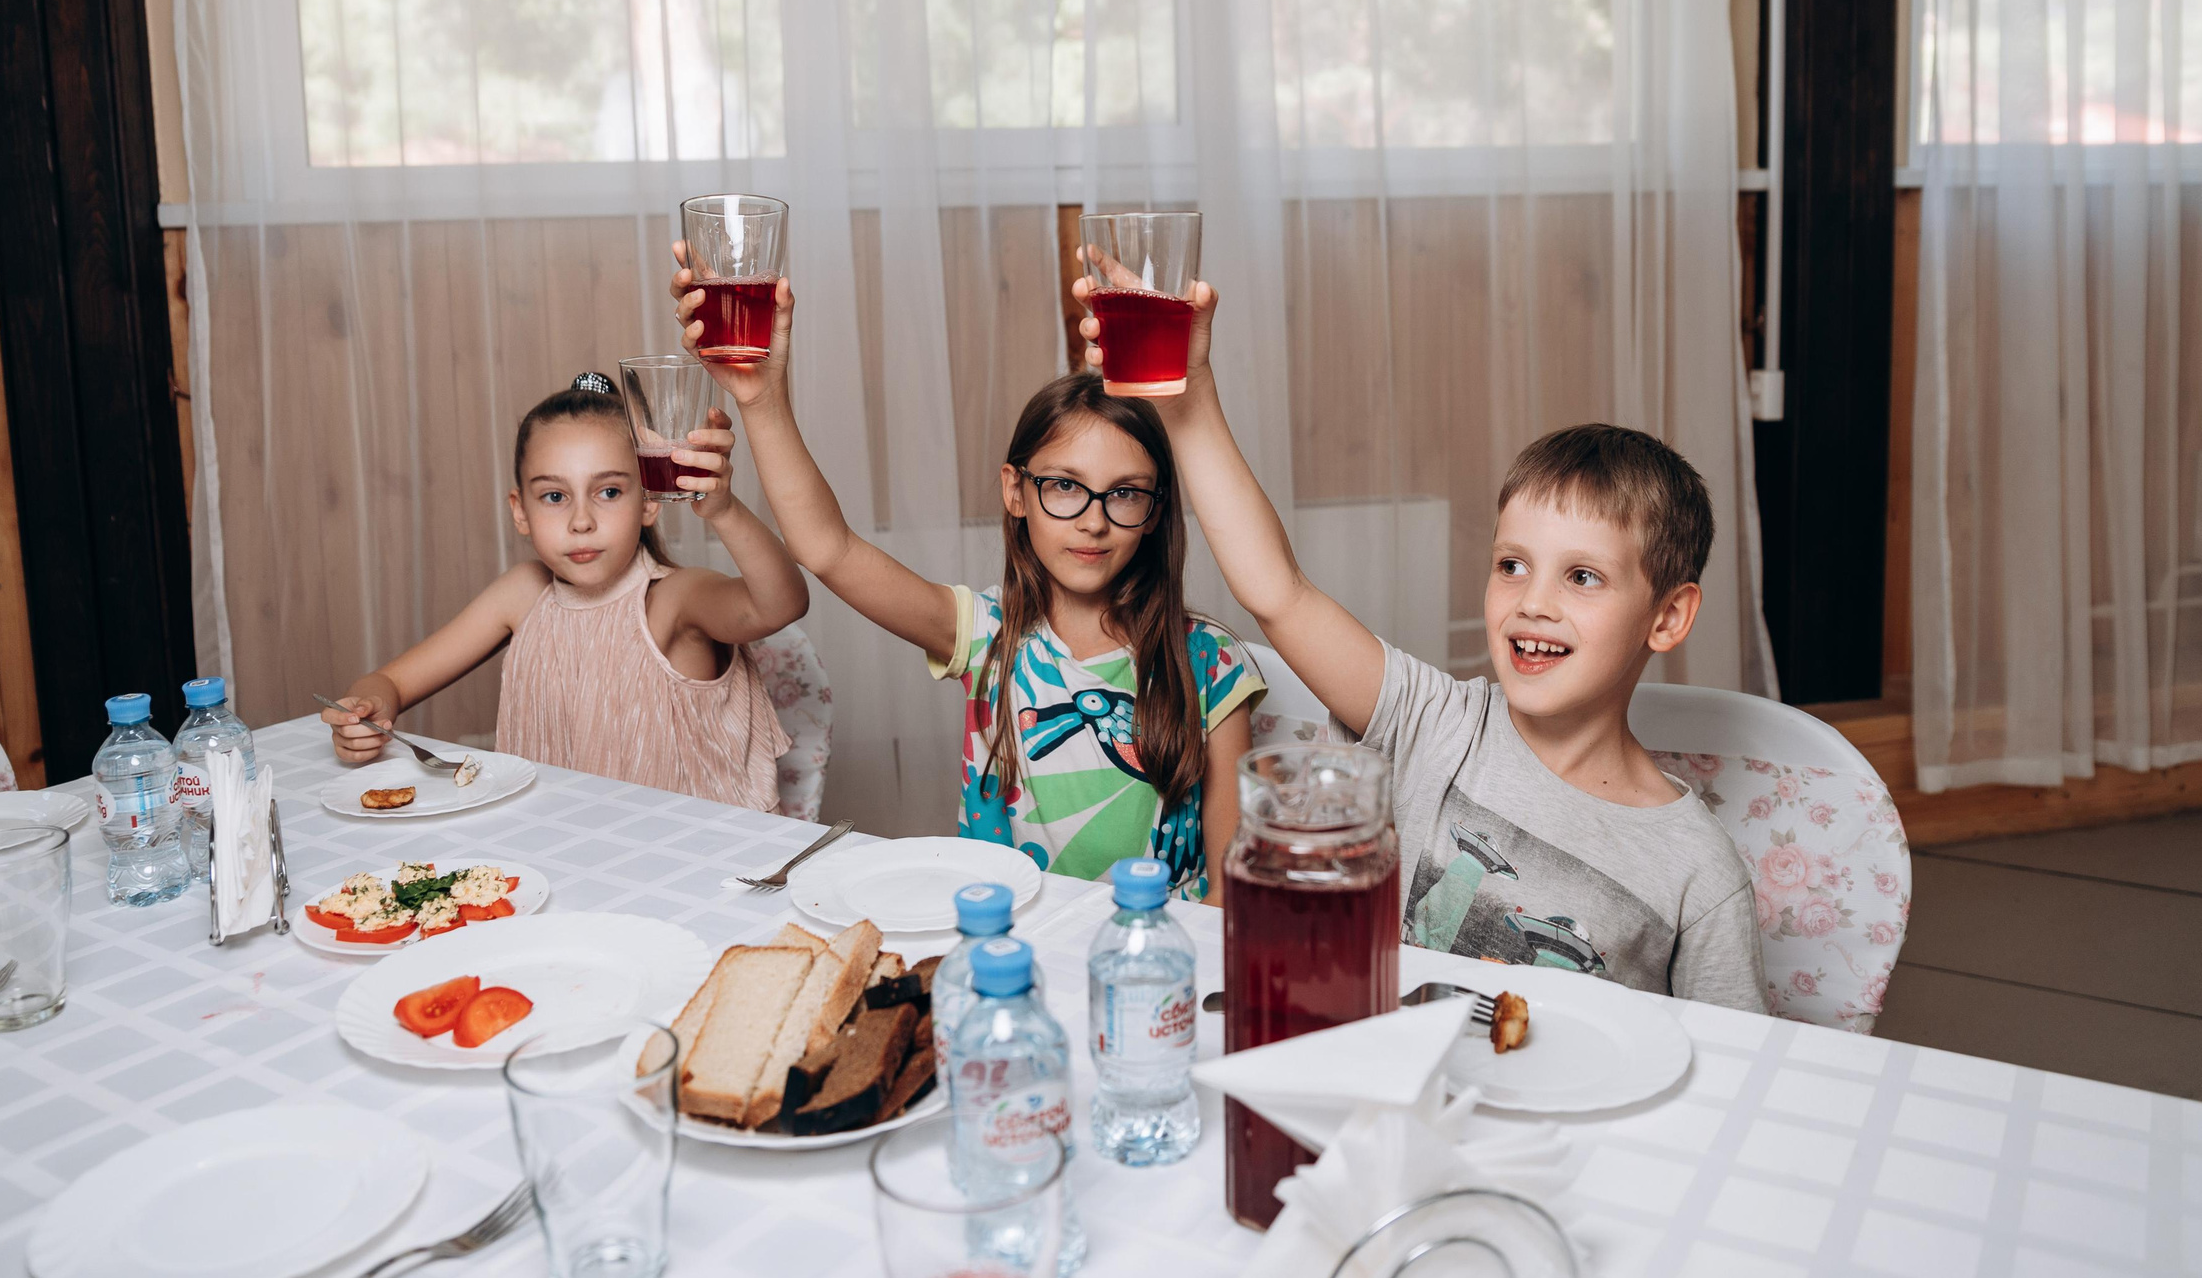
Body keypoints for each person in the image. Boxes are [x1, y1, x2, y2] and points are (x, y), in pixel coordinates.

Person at [1080, 275, 1769, 1010]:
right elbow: (1276, 591)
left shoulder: (1701, 873)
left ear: (1667, 617)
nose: (1534, 602)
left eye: (1583, 577)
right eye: (1512, 566)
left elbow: (1729, 1070)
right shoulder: (1435, 721)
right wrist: (1189, 404)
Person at [671, 253, 1266, 898]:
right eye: (1065, 486)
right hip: (1006, 945)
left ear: (1154, 513)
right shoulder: (988, 635)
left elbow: (1229, 887)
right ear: (1016, 491)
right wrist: (761, 400)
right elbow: (828, 549)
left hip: (1151, 960)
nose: (1093, 520)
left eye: (1124, 494)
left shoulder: (1210, 663)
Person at [321, 372, 810, 811]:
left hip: (694, 864)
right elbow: (388, 683)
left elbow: (783, 603)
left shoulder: (673, 600)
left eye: (610, 492)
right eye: (555, 497)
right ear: (521, 511)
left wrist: (722, 509)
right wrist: (364, 710)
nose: (581, 521)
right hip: (564, 857)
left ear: (649, 503)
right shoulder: (521, 595)